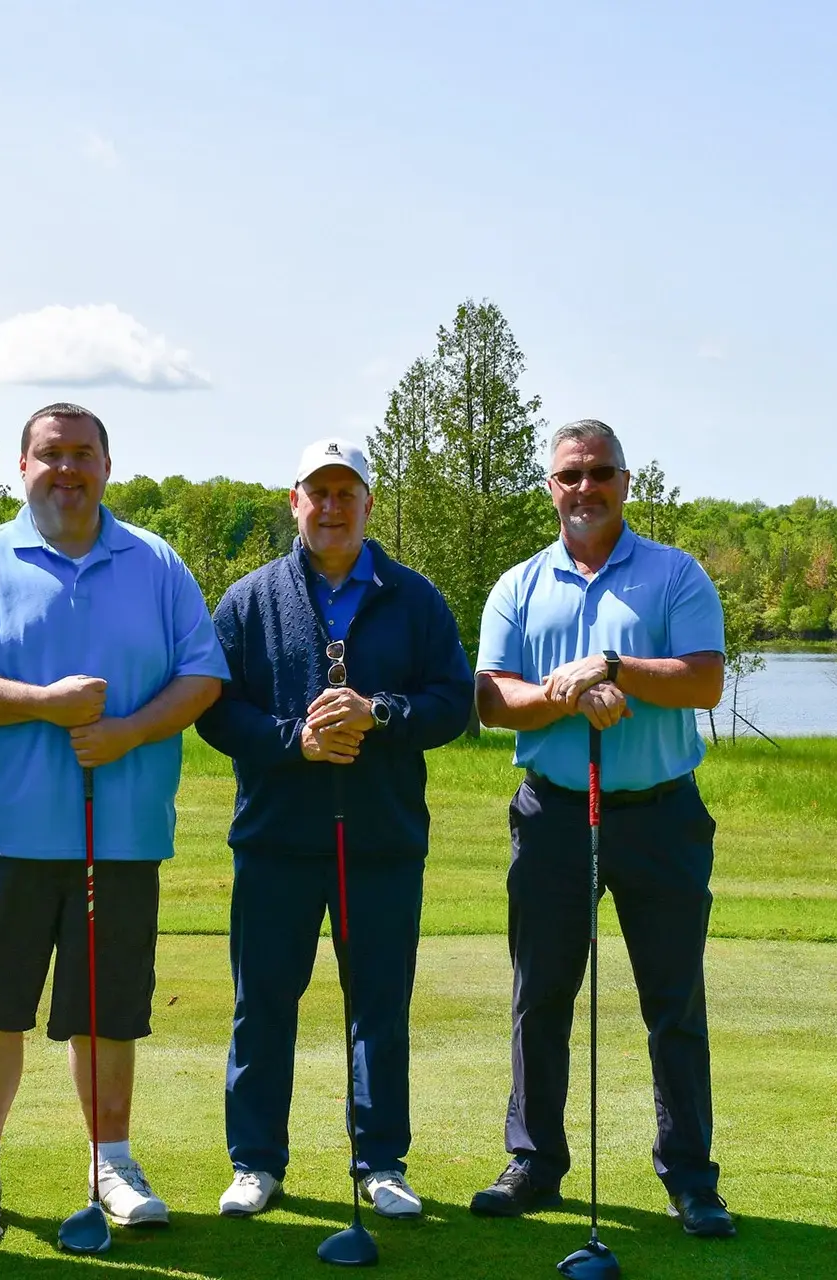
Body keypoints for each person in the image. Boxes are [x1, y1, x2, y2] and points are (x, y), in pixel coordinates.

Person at [0, 402, 228, 1242]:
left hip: (120, 834)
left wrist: (129, 731)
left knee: (107, 1011)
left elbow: (203, 674)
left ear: (106, 466)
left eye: (83, 454)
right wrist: (42, 703)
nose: (68, 469)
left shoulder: (155, 562)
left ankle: (111, 1164)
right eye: (51, 454)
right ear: (23, 467)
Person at [469, 418, 734, 1238]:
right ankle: (534, 1163)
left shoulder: (674, 574)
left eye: (600, 473)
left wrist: (615, 667)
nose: (585, 488)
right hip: (553, 813)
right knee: (541, 995)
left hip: (660, 815)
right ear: (551, 487)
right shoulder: (519, 585)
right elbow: (490, 698)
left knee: (673, 1001)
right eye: (570, 475)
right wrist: (569, 693)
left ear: (625, 482)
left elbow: (704, 681)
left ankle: (690, 1178)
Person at [196, 438, 473, 1220]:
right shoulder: (250, 599)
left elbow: (454, 702)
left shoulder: (414, 598)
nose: (330, 507)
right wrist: (298, 741)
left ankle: (381, 1163)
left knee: (379, 1009)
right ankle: (256, 1162)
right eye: (316, 493)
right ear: (295, 503)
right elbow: (215, 710)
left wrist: (379, 712)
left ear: (368, 505)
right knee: (262, 1006)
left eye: (345, 493)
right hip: (275, 841)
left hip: (382, 841)